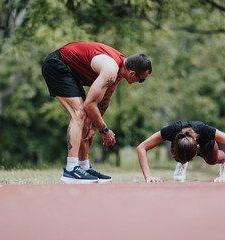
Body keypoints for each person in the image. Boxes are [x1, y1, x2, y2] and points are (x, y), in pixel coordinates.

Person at [41, 41, 152, 184]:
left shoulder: (119, 72)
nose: (139, 82)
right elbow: (89, 104)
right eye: (141, 80)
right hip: (56, 65)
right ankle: (71, 169)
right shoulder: (111, 69)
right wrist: (104, 130)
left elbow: (105, 101)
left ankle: (83, 167)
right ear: (132, 73)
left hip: (70, 72)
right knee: (79, 113)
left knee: (86, 118)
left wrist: (94, 127)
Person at [137, 121, 225, 183]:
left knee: (212, 160)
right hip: (181, 146)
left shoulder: (204, 130)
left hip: (207, 146)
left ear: (197, 148)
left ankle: (224, 160)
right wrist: (148, 177)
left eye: (189, 159)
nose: (188, 161)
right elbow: (141, 147)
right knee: (179, 156)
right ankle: (181, 165)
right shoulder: (171, 130)